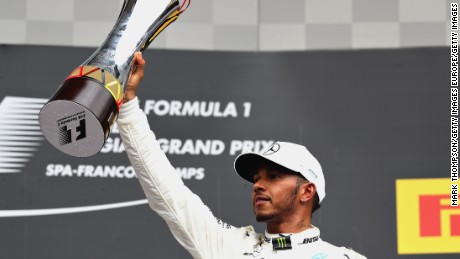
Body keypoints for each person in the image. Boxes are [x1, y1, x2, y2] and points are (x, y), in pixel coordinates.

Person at [118, 52, 367, 259]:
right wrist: (128, 103)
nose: (258, 185)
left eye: (274, 176)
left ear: (307, 191)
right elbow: (169, 194)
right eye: (257, 178)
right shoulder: (229, 246)